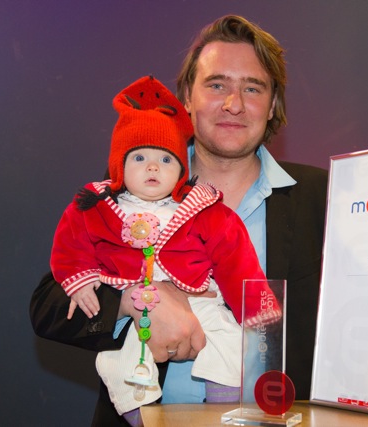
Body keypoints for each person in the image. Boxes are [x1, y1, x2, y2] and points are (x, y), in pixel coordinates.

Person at [30, 14, 368, 426]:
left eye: (253, 88)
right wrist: (138, 303)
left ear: (273, 103)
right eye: (216, 85)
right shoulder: (130, 189)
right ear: (187, 100)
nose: (234, 104)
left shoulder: (326, 196)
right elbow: (48, 306)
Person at [50, 75, 281, 424]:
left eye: (166, 160)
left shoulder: (202, 208)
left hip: (200, 297)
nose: (153, 167)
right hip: (130, 300)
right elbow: (71, 242)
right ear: (119, 166)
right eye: (140, 157)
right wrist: (81, 280)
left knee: (233, 342)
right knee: (117, 361)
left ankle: (222, 408)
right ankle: (140, 418)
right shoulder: (98, 206)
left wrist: (257, 308)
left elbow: (236, 259)